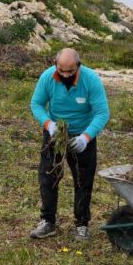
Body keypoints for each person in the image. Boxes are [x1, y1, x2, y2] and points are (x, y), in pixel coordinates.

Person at [29, 48, 110, 241]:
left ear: (78, 67)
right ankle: (47, 222)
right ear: (56, 65)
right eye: (61, 70)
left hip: (82, 135)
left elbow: (102, 112)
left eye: (70, 71)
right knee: (48, 176)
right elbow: (36, 104)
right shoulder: (47, 77)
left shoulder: (90, 80)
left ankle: (81, 224)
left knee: (83, 180)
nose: (65, 75)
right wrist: (49, 125)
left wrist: (86, 137)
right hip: (55, 134)